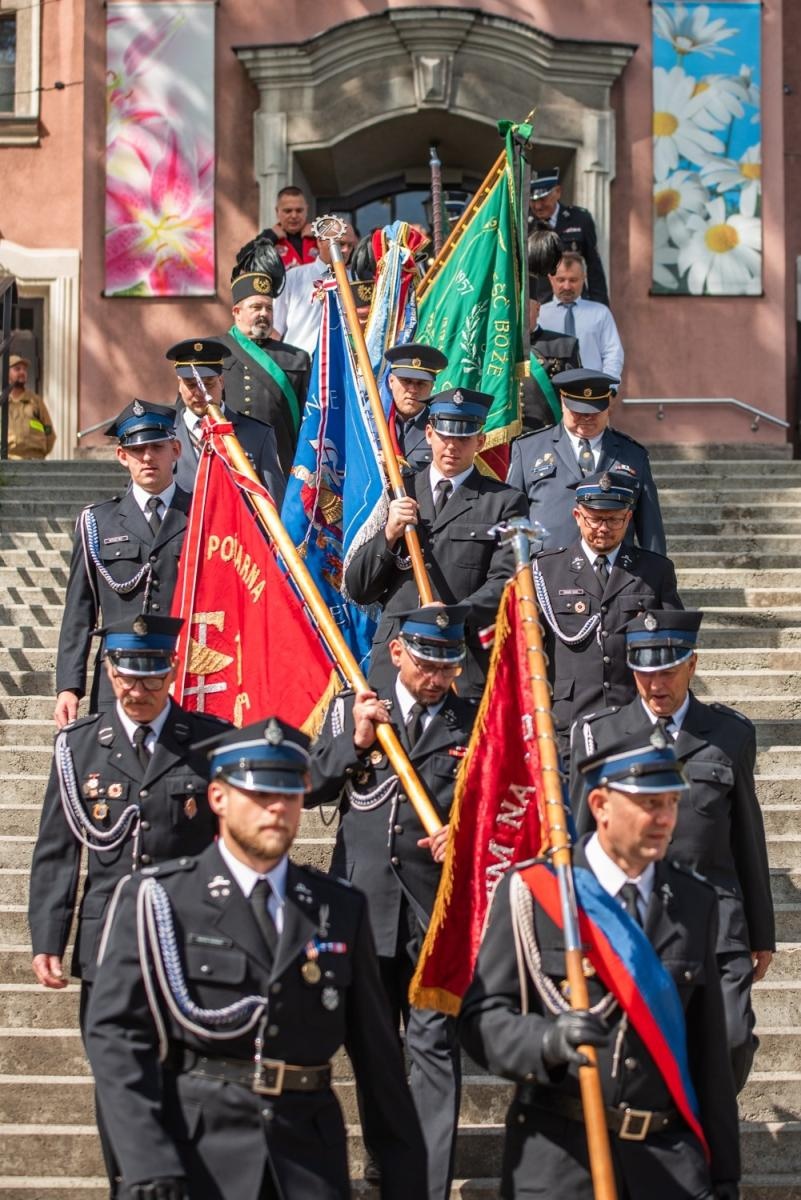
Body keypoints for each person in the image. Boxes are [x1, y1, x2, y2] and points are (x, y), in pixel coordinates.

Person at [84, 716, 428, 1200]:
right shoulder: (161, 899)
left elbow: (380, 1066)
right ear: (219, 798)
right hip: (196, 1159)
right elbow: (118, 1041)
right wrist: (147, 1164)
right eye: (259, 794)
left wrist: (406, 1182)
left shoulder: (339, 907)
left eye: (288, 794)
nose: (276, 808)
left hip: (308, 1163)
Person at [459, 728, 741, 1200]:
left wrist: (724, 1175)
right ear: (601, 806)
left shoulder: (695, 901)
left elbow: (709, 1051)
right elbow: (479, 1020)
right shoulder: (538, 893)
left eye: (671, 803)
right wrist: (545, 1041)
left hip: (667, 1163)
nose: (664, 818)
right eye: (648, 804)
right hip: (561, 1158)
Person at [29, 615, 227, 1196]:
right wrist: (48, 939)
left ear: (172, 671)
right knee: (119, 1082)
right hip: (108, 940)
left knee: (186, 1078)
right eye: (126, 676)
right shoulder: (80, 745)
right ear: (109, 671)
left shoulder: (212, 741)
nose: (138, 690)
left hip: (190, 941)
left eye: (151, 676)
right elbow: (57, 850)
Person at [309, 605, 477, 1200]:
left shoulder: (473, 723)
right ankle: (388, 1167)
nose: (436, 677)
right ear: (399, 651)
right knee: (376, 1055)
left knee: (434, 1050)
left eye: (447, 666)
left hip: (436, 914)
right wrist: (352, 742)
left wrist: (465, 835)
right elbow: (307, 789)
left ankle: (423, 1188)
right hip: (365, 906)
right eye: (426, 662)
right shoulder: (355, 709)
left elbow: (500, 811)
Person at [570, 609, 775, 1091]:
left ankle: (705, 1127)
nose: (654, 683)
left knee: (732, 1039)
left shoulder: (730, 733)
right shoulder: (600, 734)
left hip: (716, 921)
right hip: (630, 919)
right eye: (643, 670)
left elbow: (747, 834)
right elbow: (580, 838)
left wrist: (760, 931)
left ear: (692, 665)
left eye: (666, 670)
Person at [344, 388, 528, 700]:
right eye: (444, 436)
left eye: (464, 438)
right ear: (429, 434)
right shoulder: (399, 491)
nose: (452, 446)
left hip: (459, 661)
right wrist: (389, 534)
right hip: (396, 661)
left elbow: (508, 582)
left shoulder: (505, 502)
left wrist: (453, 616)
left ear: (480, 442)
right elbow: (358, 589)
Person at [54, 400, 189, 727]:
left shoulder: (204, 514)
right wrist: (69, 687)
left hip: (184, 674)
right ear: (121, 457)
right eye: (137, 449)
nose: (147, 457)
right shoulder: (97, 522)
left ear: (175, 449)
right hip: (117, 679)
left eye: (156, 447)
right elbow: (79, 610)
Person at [532, 469, 682, 752]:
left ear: (628, 518)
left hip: (635, 715)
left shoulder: (655, 571)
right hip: (568, 718)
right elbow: (530, 650)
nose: (603, 528)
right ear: (577, 516)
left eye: (613, 520)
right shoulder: (545, 571)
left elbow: (674, 647)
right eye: (595, 518)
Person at [507, 368, 666, 554]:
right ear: (563, 402)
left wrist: (657, 576)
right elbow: (511, 517)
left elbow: (651, 528)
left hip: (614, 573)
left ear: (608, 404)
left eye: (594, 410)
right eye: (579, 411)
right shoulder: (528, 449)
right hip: (545, 570)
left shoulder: (633, 454)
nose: (587, 417)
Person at [166, 338, 285, 504]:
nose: (200, 393)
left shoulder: (258, 435)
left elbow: (275, 501)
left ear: (221, 382)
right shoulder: (164, 435)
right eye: (191, 385)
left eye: (208, 384)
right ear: (179, 384)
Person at [216, 266, 311, 474]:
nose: (264, 314)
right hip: (230, 462)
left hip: (279, 463)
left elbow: (309, 418)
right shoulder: (214, 351)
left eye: (268, 308)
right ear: (237, 312)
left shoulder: (296, 358)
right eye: (256, 307)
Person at [271, 221, 358, 355]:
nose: (345, 250)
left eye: (350, 245)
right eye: (340, 244)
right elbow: (275, 329)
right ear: (320, 241)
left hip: (344, 364)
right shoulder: (293, 277)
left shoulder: (355, 280)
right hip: (300, 365)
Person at [529, 168, 609, 305]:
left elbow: (593, 265)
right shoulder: (525, 225)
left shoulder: (580, 219)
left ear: (558, 192)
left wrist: (600, 306)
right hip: (539, 307)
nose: (537, 206)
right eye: (533, 200)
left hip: (576, 303)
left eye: (543, 199)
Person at [540, 253, 623, 382]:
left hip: (590, 391)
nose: (567, 286)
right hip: (550, 391)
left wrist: (609, 387)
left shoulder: (600, 313)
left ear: (584, 279)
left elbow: (613, 354)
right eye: (561, 280)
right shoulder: (539, 315)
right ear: (551, 279)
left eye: (573, 280)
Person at [383, 341, 448, 472]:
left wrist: (400, 470)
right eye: (406, 381)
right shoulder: (371, 422)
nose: (412, 389)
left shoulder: (442, 429)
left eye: (421, 383)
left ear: (431, 387)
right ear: (391, 381)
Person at [523, 293, 582, 432]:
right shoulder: (494, 348)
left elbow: (574, 397)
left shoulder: (563, 345)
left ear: (537, 308)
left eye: (525, 309)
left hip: (547, 436)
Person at [5, 352, 57, 458]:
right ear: (6, 373)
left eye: (24, 369)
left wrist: (40, 453)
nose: (22, 372)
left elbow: (48, 430)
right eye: (17, 369)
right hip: (7, 460)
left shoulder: (35, 401)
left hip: (33, 459)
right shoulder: (2, 402)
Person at [258, 184, 319, 270]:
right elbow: (243, 259)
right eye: (288, 211)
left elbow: (342, 254)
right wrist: (271, 236)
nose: (294, 215)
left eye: (299, 210)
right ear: (277, 211)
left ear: (306, 210)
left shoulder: (319, 234)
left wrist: (320, 232)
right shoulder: (268, 237)